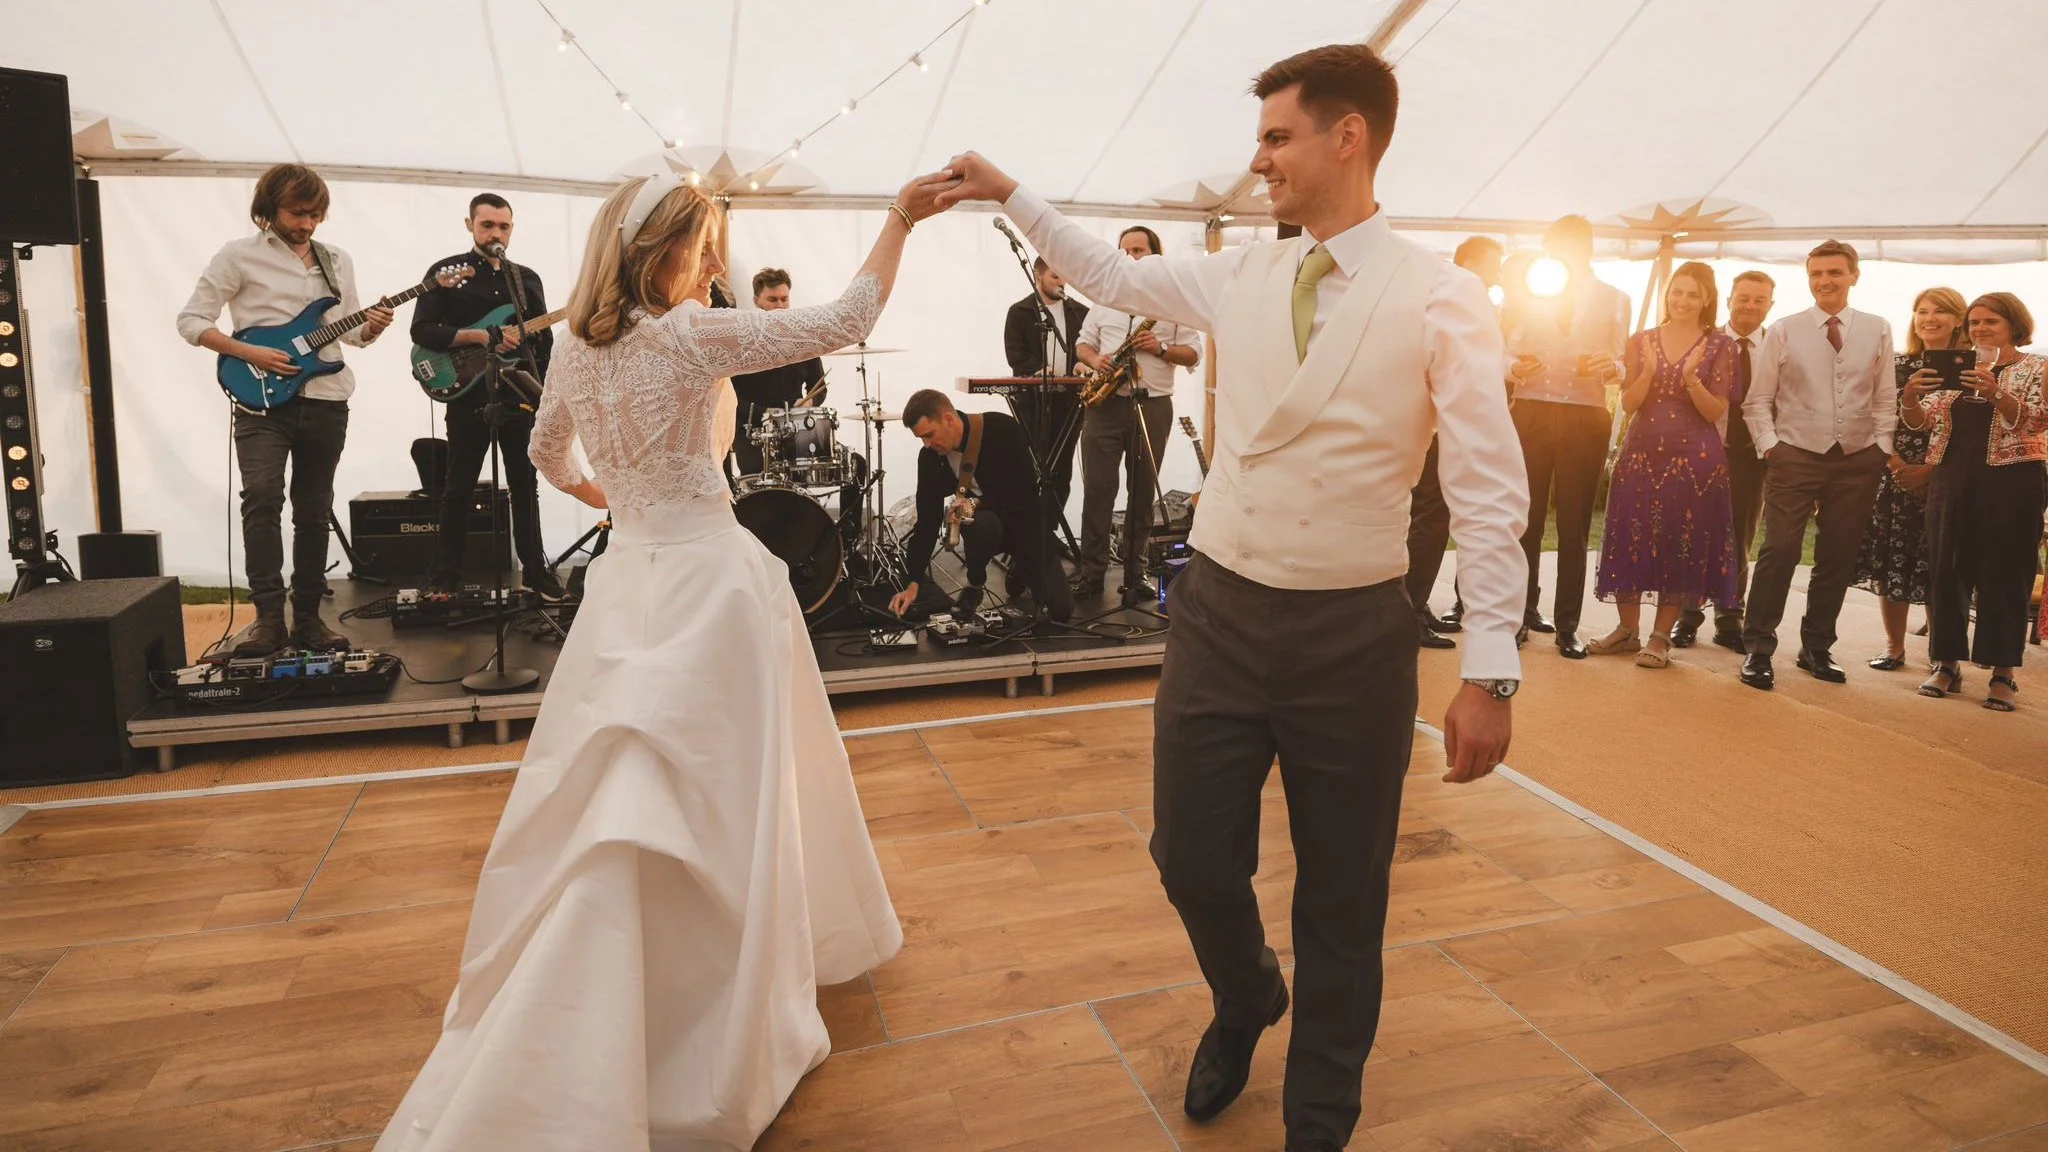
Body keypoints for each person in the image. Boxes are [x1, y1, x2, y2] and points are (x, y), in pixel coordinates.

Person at [938, 42, 1529, 1152]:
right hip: (1216, 614)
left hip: (1354, 635)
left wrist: (1487, 665)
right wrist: (1012, 193)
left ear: (1344, 137)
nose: (1257, 162)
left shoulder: (1443, 297)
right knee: (1190, 858)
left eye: (1274, 137)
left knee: (1341, 905)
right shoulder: (1240, 273)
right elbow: (1107, 276)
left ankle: (1319, 1121)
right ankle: (1248, 989)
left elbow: (1487, 491)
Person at [373, 168, 960, 1151]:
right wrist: (897, 214)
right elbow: (849, 315)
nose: (715, 261)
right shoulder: (692, 335)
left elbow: (546, 460)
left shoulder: (575, 350)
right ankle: (715, 1010)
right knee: (730, 801)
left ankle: (622, 995)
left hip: (627, 584)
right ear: (668, 252)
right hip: (712, 585)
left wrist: (621, 503)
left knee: (626, 793)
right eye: (705, 245)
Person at [176, 163, 394, 656]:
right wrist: (248, 351)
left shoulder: (336, 259)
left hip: (326, 399)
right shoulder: (237, 256)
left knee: (314, 511)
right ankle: (267, 619)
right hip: (260, 401)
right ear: (268, 208)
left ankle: (310, 620)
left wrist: (375, 325)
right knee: (261, 499)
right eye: (298, 213)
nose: (308, 224)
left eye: (316, 215)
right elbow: (191, 321)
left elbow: (352, 333)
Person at [1738, 239, 1896, 689]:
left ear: (1853, 276)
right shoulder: (1785, 329)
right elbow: (1757, 401)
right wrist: (1773, 446)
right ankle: (1758, 648)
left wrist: (1880, 447)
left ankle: (1817, 647)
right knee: (1781, 548)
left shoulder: (1876, 327)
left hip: (1858, 459)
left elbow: (1885, 397)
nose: (1824, 281)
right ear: (1808, 279)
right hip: (1795, 455)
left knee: (1838, 555)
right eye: (1816, 274)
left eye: (1834, 273)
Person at [409, 193, 563, 600]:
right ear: (470, 225)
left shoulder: (526, 278)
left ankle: (535, 572)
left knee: (524, 485)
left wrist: (542, 387)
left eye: (504, 226)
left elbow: (542, 339)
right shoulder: (447, 272)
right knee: (458, 485)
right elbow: (422, 331)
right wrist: (480, 336)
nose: (496, 233)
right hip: (468, 394)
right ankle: (445, 577)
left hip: (517, 394)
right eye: (487, 225)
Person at [1902, 292, 2048, 712]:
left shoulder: (2036, 367)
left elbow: (2040, 418)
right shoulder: (1957, 365)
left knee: (2007, 573)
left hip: (2014, 480)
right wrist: (1911, 396)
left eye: (1992, 322)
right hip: (1952, 478)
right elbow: (1921, 421)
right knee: (1947, 569)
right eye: (1975, 323)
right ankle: (1946, 663)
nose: (1981, 329)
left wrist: (1998, 392)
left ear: (2014, 326)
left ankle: (2003, 673)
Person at [1588, 262, 1739, 666]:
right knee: (1629, 536)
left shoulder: (1722, 346)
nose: (1683, 300)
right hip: (1640, 452)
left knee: (1679, 542)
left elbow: (1715, 411)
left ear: (1707, 299)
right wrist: (1649, 374)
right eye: (1677, 291)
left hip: (1696, 458)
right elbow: (1630, 403)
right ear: (1667, 294)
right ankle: (1625, 629)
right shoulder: (1642, 341)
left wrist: (1691, 380)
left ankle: (1659, 637)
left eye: (1693, 294)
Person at [1504, 215, 1631, 659]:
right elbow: (1500, 351)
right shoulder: (1524, 294)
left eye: (1572, 246)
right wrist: (1513, 368)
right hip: (1532, 410)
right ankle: (1519, 616)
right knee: (1526, 519)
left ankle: (1568, 626)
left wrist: (1610, 368)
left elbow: (1622, 363)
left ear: (1588, 248)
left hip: (1585, 414)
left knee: (1575, 524)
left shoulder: (1616, 298)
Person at [1072, 225, 1202, 605]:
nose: (1130, 256)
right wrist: (1096, 360)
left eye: (1139, 249)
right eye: (1124, 249)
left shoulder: (1175, 301)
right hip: (1105, 404)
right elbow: (1083, 343)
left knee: (1142, 494)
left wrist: (1161, 348)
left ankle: (1136, 573)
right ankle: (1091, 573)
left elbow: (1193, 354)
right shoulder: (1104, 298)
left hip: (1153, 404)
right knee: (1098, 492)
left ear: (1156, 254)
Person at [887, 389, 1074, 622]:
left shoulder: (1002, 428)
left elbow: (1024, 493)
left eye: (929, 434)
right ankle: (975, 585)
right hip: (985, 527)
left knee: (1059, 612)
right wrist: (913, 583)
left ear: (948, 418)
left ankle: (1021, 564)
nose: (926, 444)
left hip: (1024, 521)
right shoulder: (930, 458)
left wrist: (977, 502)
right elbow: (927, 521)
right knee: (982, 524)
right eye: (921, 438)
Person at [1854, 288, 1963, 669]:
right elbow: (1875, 418)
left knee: (1939, 567)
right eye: (1921, 311)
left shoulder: (1971, 370)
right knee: (1891, 562)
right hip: (1895, 475)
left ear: (1958, 319)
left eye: (1940, 312)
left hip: (1948, 479)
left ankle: (1941, 657)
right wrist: (1897, 465)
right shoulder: (1895, 365)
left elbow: (1970, 431)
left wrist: (1931, 471)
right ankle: (1894, 647)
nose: (1929, 318)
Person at [1408, 234, 1505, 647]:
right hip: (1436, 423)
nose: (1496, 275)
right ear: (1467, 263)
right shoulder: (1448, 302)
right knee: (1430, 517)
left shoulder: (1465, 303)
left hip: (1454, 423)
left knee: (1434, 517)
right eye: (1491, 266)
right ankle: (1408, 610)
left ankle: (1415, 602)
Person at [1675, 270, 1775, 649]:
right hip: (1704, 451)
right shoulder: (1706, 342)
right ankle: (1687, 615)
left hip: (1753, 456)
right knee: (1696, 535)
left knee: (1739, 537)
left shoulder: (1777, 345)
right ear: (1730, 298)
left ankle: (1730, 617)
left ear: (1770, 305)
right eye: (1744, 297)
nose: (1750, 306)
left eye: (1759, 300)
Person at [1004, 256, 1089, 526]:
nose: (1062, 281)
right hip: (1033, 401)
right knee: (1031, 469)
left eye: (1065, 276)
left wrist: (1082, 364)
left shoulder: (1080, 312)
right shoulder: (1020, 312)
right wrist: (1037, 369)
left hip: (1070, 401)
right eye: (1055, 275)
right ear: (1037, 276)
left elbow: (1089, 348)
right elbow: (1015, 355)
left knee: (1061, 471)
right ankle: (1026, 534)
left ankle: (1048, 531)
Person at [729, 267, 826, 477]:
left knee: (855, 465)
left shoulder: (803, 340)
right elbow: (729, 397)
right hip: (752, 433)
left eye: (784, 299)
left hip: (795, 430)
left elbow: (819, 387)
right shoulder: (742, 342)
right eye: (772, 300)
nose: (780, 306)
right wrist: (765, 414)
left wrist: (808, 403)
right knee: (763, 480)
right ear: (757, 301)